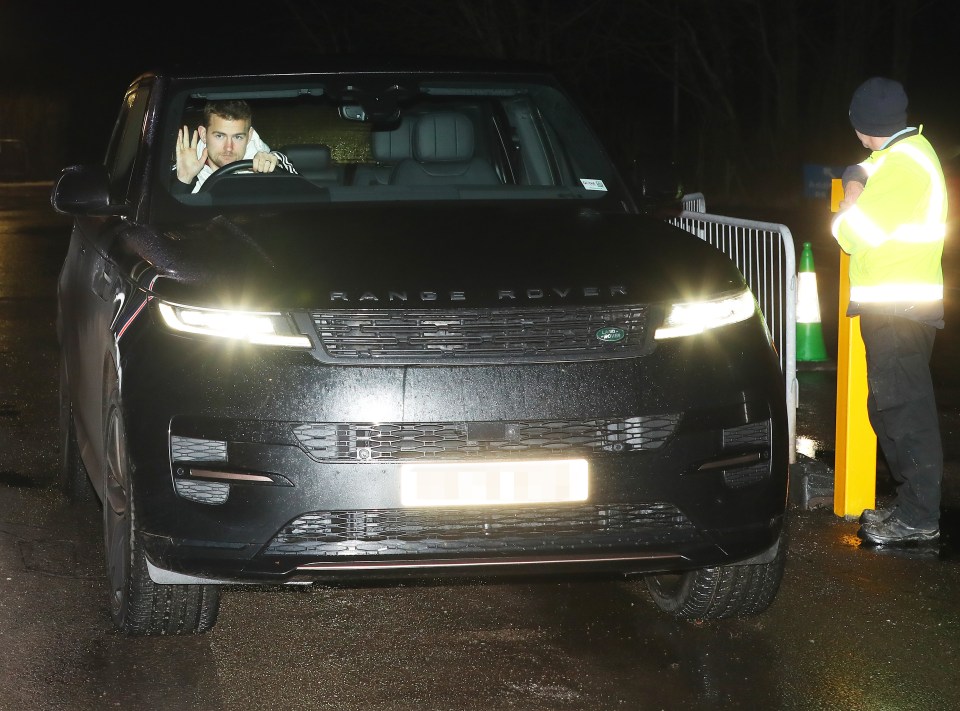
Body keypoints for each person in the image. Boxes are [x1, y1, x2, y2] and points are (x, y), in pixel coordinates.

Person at [832, 77, 948, 545]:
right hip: (893, 304)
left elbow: (849, 234)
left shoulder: (903, 166)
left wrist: (848, 202)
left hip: (901, 306)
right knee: (887, 408)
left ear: (861, 126)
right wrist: (857, 178)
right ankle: (910, 507)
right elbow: (861, 166)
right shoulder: (900, 154)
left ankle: (919, 518)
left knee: (906, 414)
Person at [172, 99, 296, 193]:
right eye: (219, 136)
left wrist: (274, 168)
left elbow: (301, 198)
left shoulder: (271, 161)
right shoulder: (181, 168)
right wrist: (184, 179)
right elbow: (164, 219)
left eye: (238, 137)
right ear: (203, 134)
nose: (229, 147)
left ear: (249, 136)